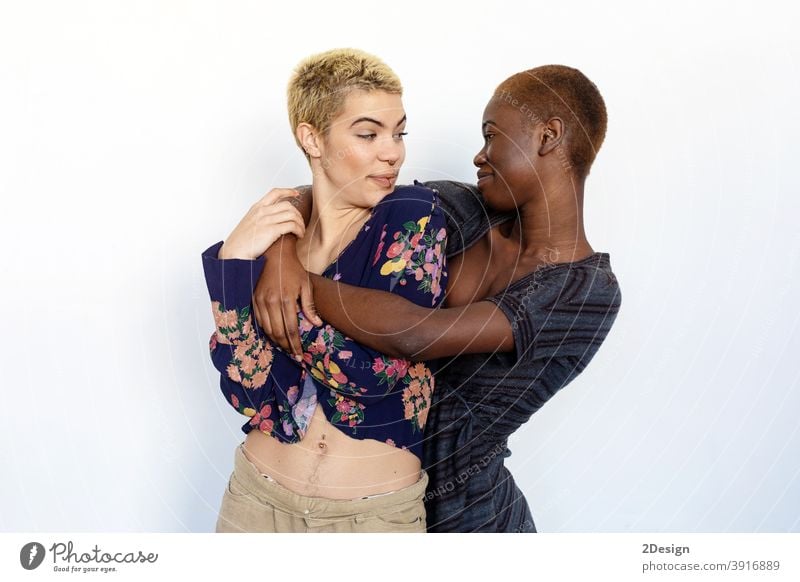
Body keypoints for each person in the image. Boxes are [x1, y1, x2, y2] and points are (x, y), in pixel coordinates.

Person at [253, 64, 622, 532]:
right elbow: (334, 194)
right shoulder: (460, 209)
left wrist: (295, 281)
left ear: (548, 136)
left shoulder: (586, 294)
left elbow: (416, 335)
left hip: (469, 520)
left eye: (491, 137)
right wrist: (282, 253)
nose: (479, 156)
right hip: (368, 502)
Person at [201, 48, 448, 533]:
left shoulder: (413, 215)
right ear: (311, 138)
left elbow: (373, 373)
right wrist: (231, 262)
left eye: (399, 132)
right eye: (368, 133)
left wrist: (278, 284)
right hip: (256, 500)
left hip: (373, 516)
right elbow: (246, 386)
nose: (393, 151)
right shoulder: (278, 232)